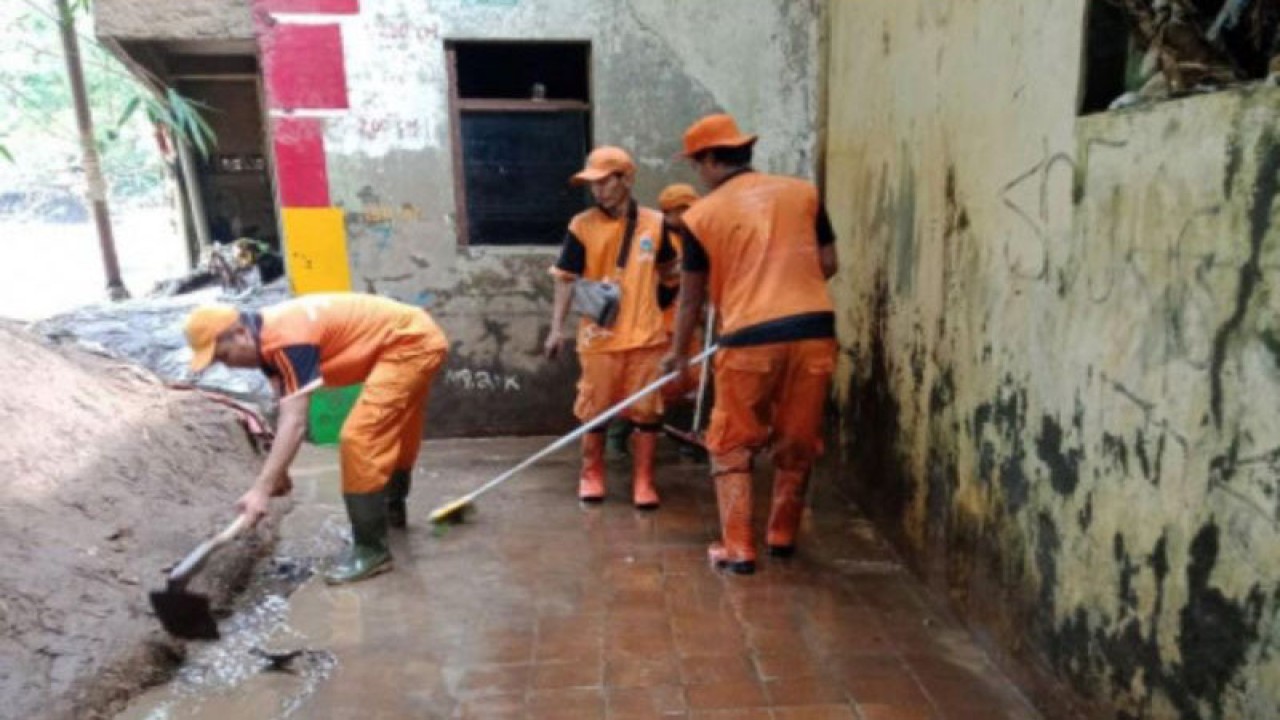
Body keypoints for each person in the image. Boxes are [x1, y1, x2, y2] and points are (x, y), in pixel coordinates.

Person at [662, 114, 839, 575]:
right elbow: (829, 261)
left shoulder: (700, 217)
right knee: (797, 437)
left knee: (731, 442)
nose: (698, 173)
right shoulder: (804, 193)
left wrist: (677, 354)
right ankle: (782, 535)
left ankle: (738, 549)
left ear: (710, 159)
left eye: (698, 164)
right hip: (814, 332)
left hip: (748, 340)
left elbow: (691, 299)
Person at [184, 292, 449, 584]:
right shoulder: (267, 345)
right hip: (405, 336)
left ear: (240, 333)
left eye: (224, 356)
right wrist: (278, 472)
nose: (228, 366)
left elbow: (296, 421)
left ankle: (372, 550)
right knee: (394, 427)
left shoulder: (286, 339)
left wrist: (261, 490)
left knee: (359, 437)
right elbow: (288, 408)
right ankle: (389, 510)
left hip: (411, 342)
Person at [545, 146, 678, 509]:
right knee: (594, 408)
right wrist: (556, 329)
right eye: (593, 184)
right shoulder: (582, 225)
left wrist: (663, 303)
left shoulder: (655, 223)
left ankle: (644, 481)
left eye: (606, 182)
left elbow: (670, 271)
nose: (598, 191)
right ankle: (592, 474)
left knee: (647, 412)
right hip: (599, 337)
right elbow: (565, 280)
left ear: (627, 179)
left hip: (646, 337)